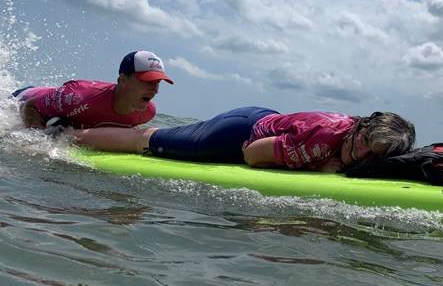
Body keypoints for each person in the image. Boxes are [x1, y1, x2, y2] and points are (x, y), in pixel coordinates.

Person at [73, 106, 416, 172]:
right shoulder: (322, 139)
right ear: (362, 127)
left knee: (146, 138)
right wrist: (321, 167)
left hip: (261, 116)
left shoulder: (352, 132)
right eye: (363, 141)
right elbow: (252, 155)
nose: (358, 152)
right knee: (145, 141)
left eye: (370, 153)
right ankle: (67, 135)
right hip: (236, 134)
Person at [13, 50, 174, 129]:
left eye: (157, 82)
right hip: (24, 97)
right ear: (123, 80)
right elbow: (29, 106)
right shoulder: (79, 97)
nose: (155, 90)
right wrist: (38, 140)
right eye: (147, 81)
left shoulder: (146, 113)